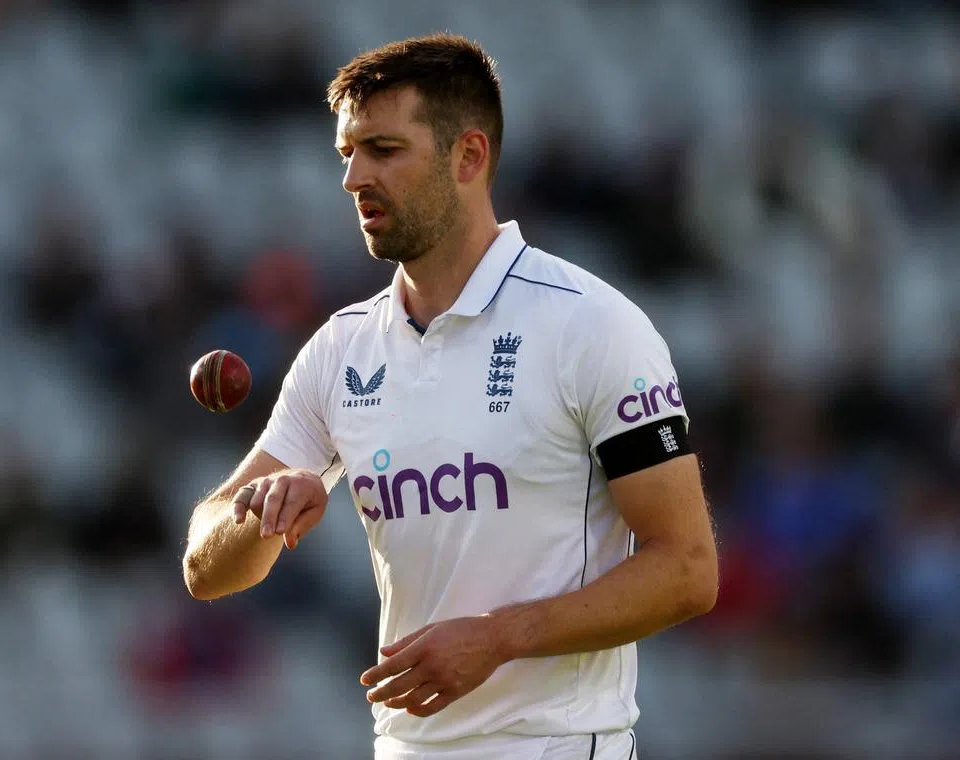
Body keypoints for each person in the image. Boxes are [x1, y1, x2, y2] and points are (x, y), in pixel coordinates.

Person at [182, 33, 719, 760]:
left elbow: (687, 569)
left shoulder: (590, 325)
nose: (353, 178)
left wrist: (500, 638)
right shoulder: (341, 349)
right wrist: (258, 517)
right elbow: (206, 569)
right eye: (348, 153)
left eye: (384, 149)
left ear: (469, 157)